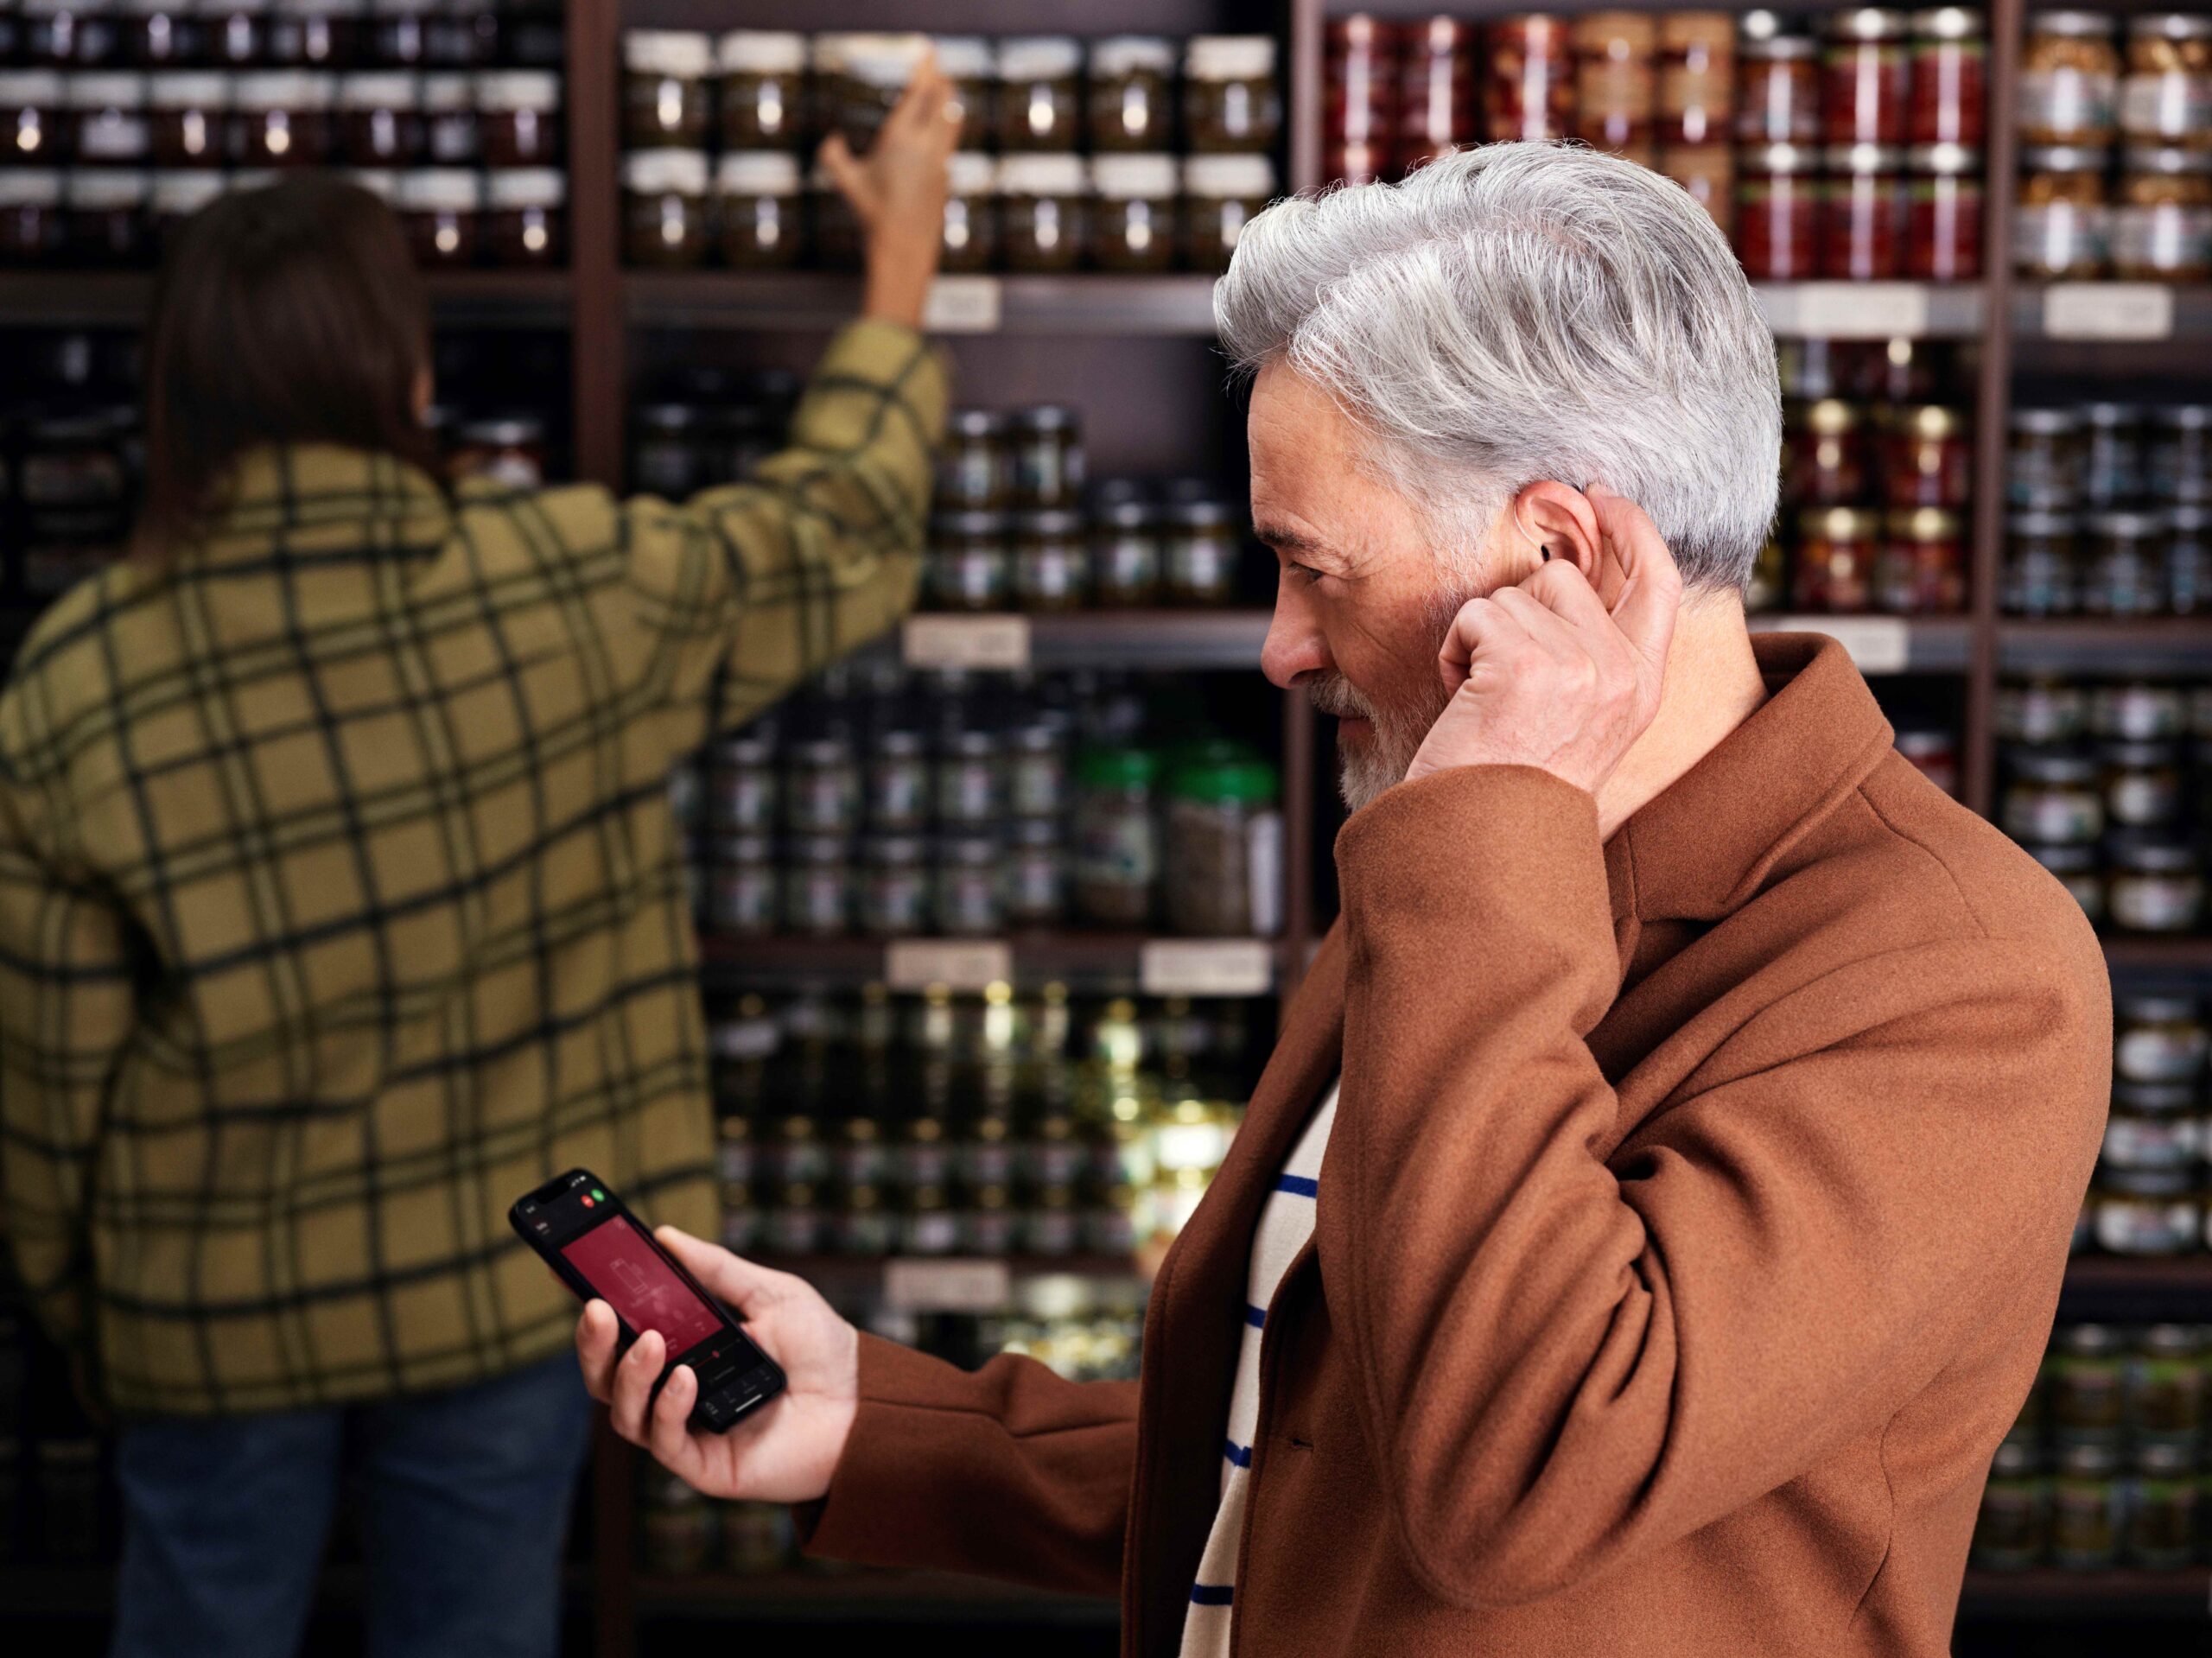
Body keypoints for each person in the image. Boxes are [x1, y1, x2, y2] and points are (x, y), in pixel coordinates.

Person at [582, 143, 2113, 1657]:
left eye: (1316, 569)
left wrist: (1483, 840)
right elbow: (1320, 1440)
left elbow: (1514, 1474)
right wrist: (884, 1427)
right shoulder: (1452, 862)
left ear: (1555, 560)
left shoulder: (1958, 977)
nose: (1282, 647)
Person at [0, 59, 957, 1658]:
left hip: (205, 1313)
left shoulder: (79, 677)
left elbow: (42, 1084)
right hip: (515, 1296)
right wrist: (900, 262)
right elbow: (838, 527)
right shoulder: (565, 581)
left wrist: (93, 1319)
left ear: (177, 392)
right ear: (406, 373)